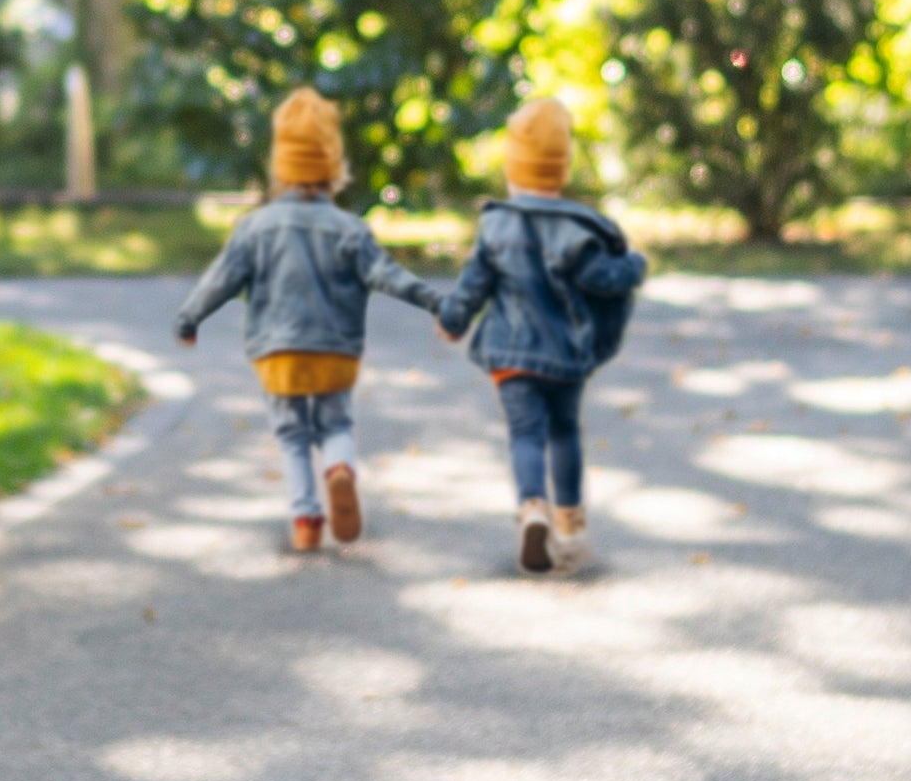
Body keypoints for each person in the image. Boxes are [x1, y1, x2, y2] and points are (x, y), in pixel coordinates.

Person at [174, 88, 438, 553]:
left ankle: (306, 521)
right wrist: (437, 301)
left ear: (281, 165)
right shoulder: (350, 229)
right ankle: (339, 468)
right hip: (336, 352)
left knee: (292, 434)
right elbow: (388, 276)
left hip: (279, 355)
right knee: (336, 424)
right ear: (333, 166)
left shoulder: (255, 227)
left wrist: (190, 318)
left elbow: (221, 279)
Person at [431, 97, 646, 572]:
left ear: (513, 167)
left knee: (525, 434)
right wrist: (634, 266)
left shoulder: (495, 224)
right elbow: (603, 281)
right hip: (566, 355)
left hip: (511, 356)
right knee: (565, 432)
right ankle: (570, 526)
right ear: (562, 168)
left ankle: (532, 507)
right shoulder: (578, 231)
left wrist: (452, 321)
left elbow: (473, 287)